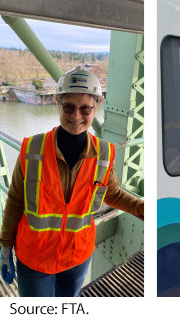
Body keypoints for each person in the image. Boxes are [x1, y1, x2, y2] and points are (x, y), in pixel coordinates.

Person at [0, 66, 144, 297]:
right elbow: (16, 199)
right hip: (34, 258)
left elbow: (112, 193)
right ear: (58, 104)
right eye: (69, 106)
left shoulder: (104, 153)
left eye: (85, 108)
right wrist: (5, 245)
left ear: (96, 108)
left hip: (77, 257)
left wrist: (142, 208)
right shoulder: (33, 149)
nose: (76, 115)